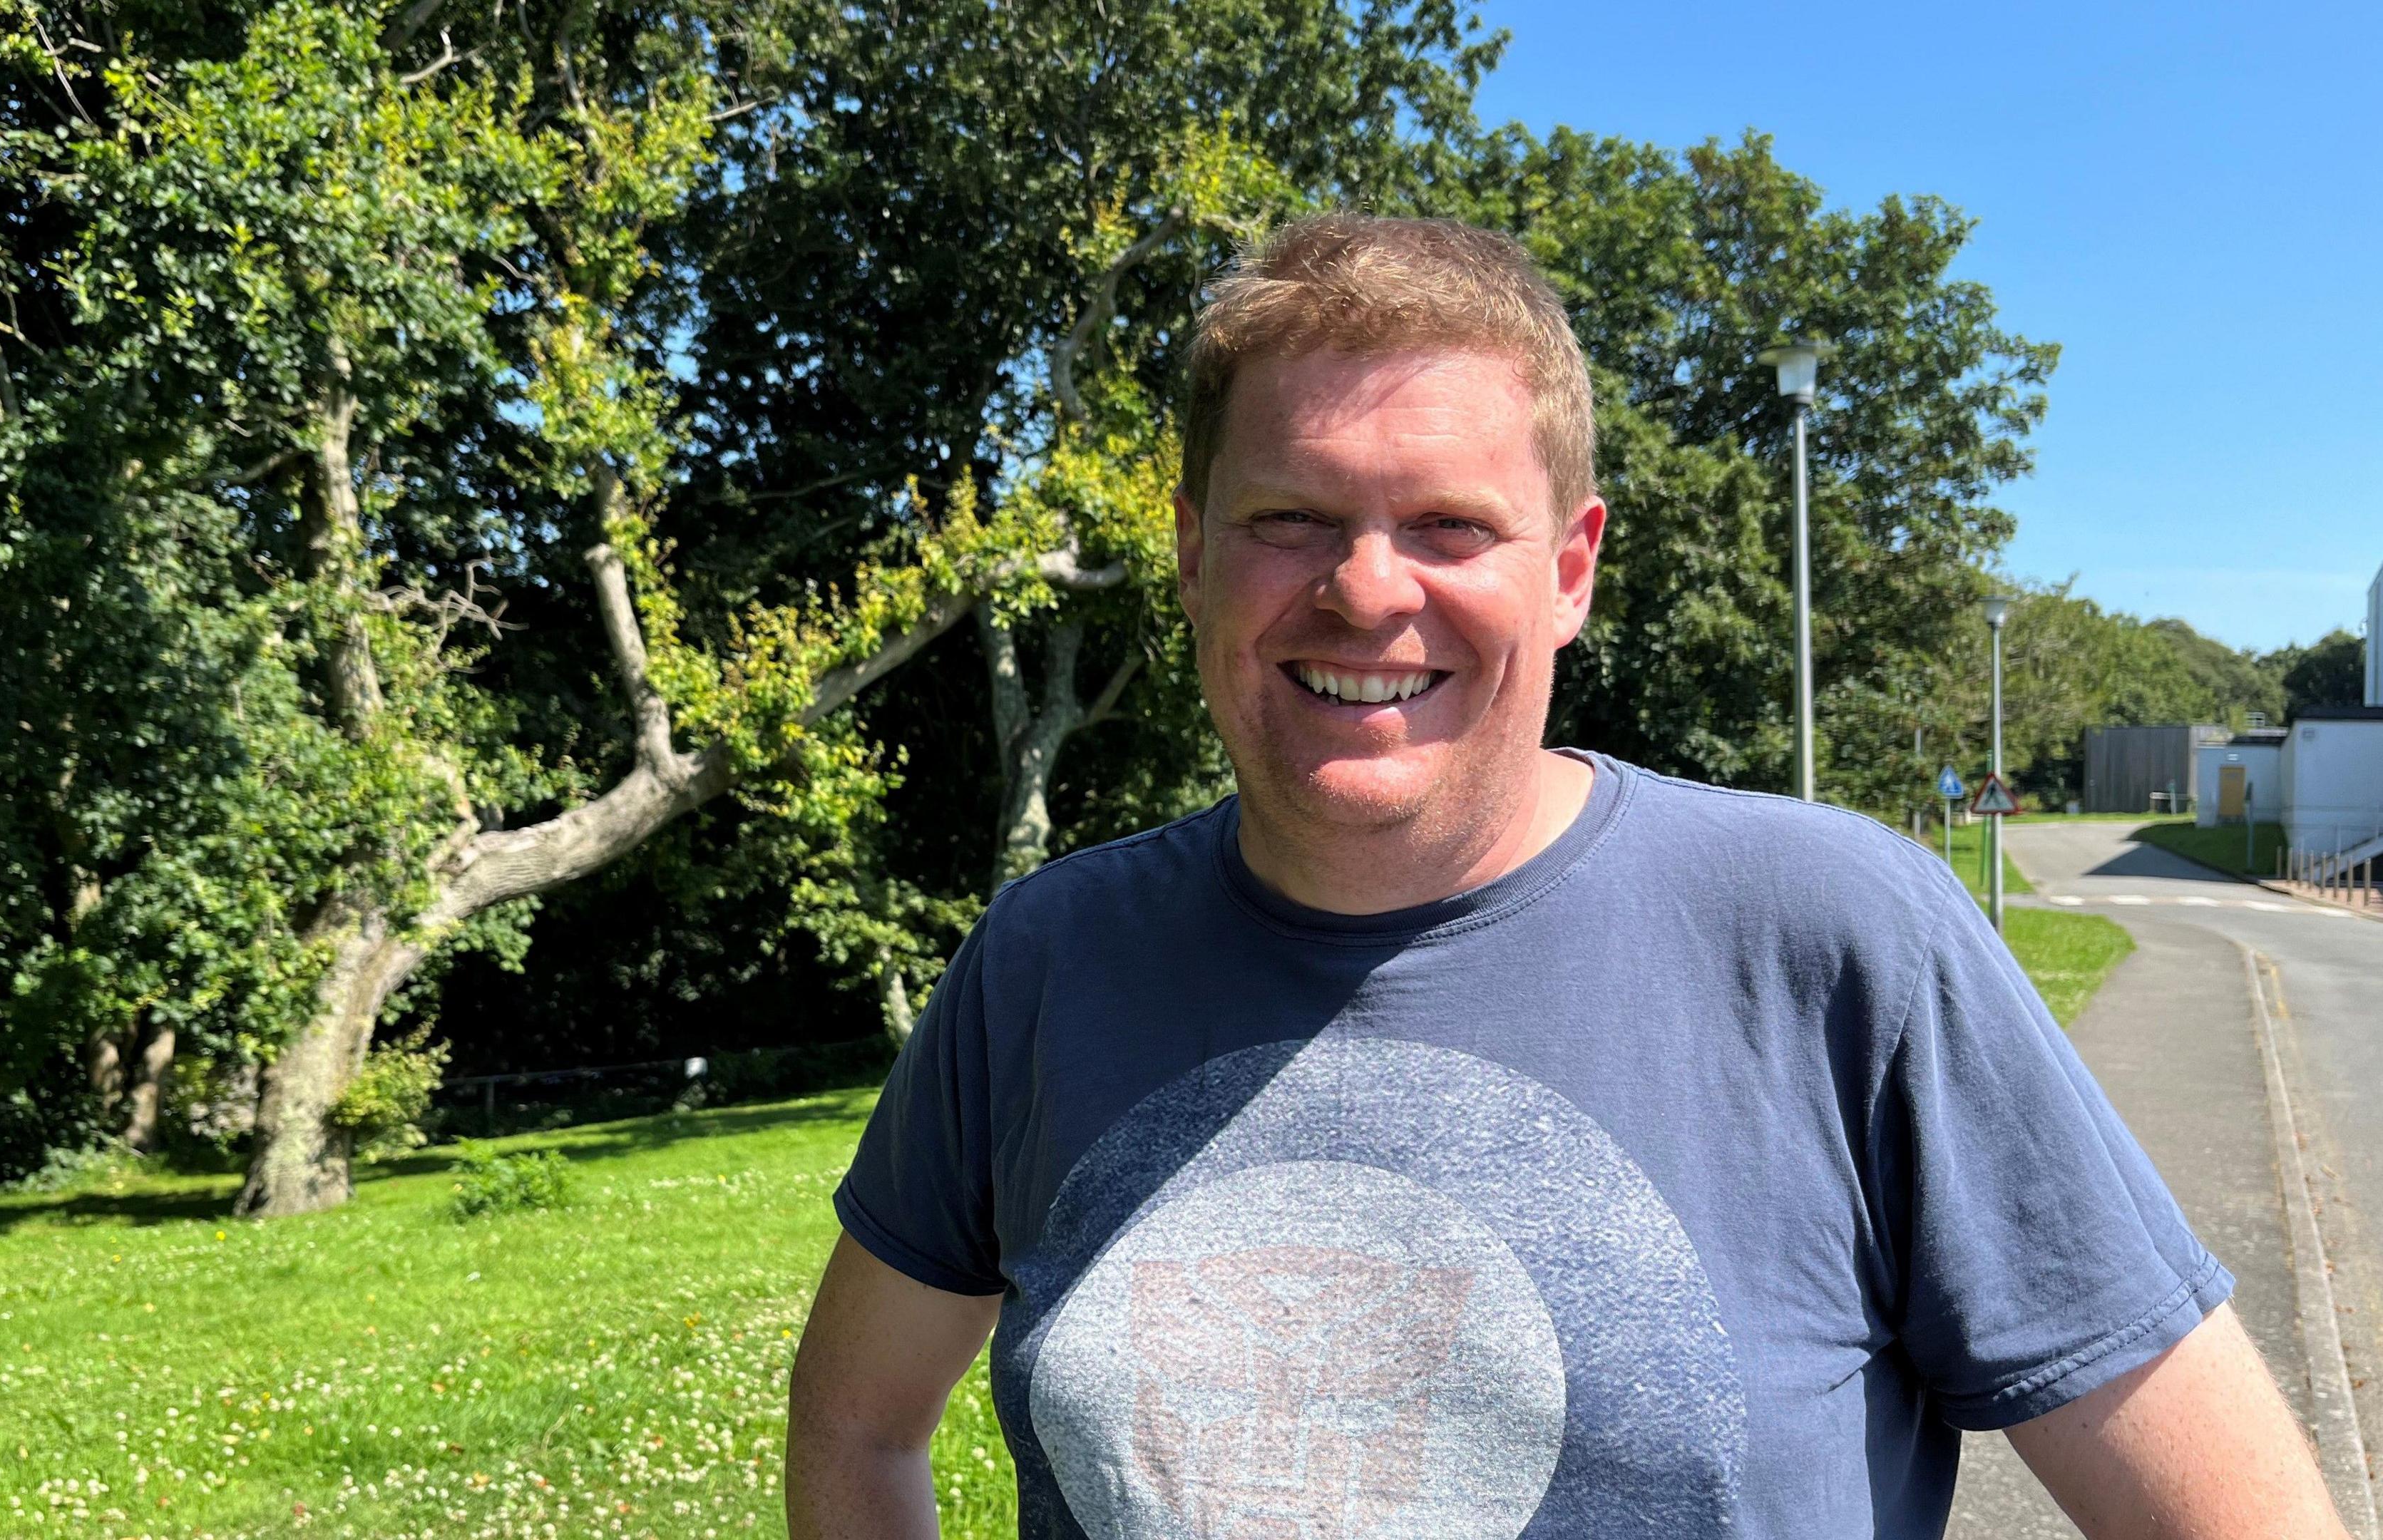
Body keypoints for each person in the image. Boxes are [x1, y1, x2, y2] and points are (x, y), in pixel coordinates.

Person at [784, 213, 2344, 1539]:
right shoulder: (1049, 960)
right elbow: (857, 1434)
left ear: (1572, 569)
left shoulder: (1834, 939)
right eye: (1291, 520)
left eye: (1451, 526)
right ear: (1192, 551)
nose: (1366, 591)